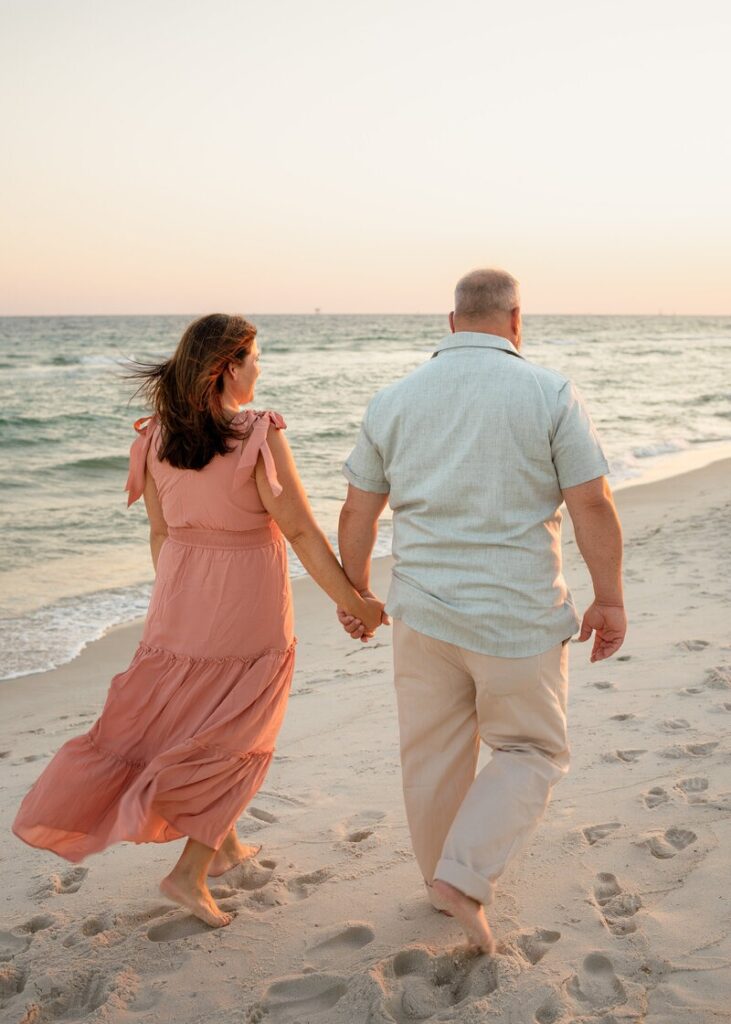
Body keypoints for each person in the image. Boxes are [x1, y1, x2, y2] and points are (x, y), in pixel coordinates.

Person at [12, 313, 384, 928]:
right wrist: (355, 601)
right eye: (254, 358)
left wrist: (182, 603)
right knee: (241, 733)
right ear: (226, 368)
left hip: (177, 606)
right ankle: (189, 872)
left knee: (187, 719)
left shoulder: (153, 438)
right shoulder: (256, 435)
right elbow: (298, 530)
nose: (260, 370)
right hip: (245, 607)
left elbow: (161, 535)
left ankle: (227, 846)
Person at [337, 269, 626, 953]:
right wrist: (607, 597)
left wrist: (357, 595)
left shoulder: (393, 399)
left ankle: (442, 879)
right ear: (515, 319)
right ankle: (461, 879)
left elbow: (358, 510)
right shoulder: (549, 392)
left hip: (422, 613)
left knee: (432, 757)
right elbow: (591, 504)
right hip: (515, 616)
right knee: (531, 749)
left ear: (451, 321)